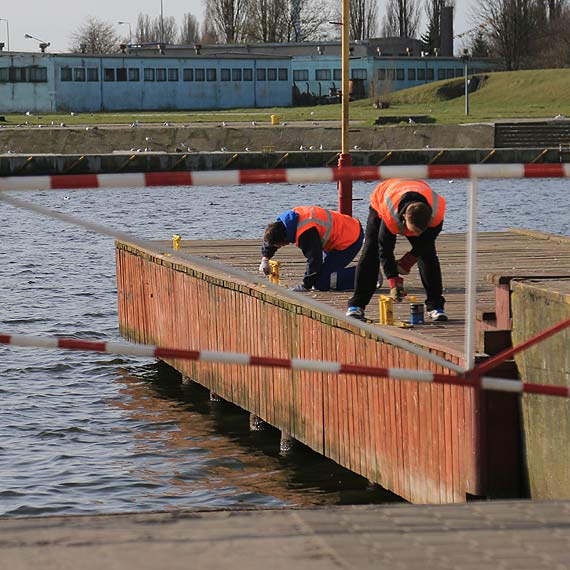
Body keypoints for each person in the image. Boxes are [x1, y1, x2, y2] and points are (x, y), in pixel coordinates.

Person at [346, 178, 448, 322]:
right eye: (411, 230)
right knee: (370, 251)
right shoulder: (390, 216)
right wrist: (394, 280)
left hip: (415, 190)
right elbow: (385, 249)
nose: (415, 235)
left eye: (420, 232)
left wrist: (408, 260)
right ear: (404, 217)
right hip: (382, 198)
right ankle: (356, 305)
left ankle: (436, 307)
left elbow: (427, 241)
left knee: (428, 255)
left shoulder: (437, 213)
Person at [259, 206, 364, 292]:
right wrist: (265, 259)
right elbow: (271, 237)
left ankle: (369, 274)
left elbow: (314, 259)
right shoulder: (285, 222)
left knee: (322, 283)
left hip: (350, 239)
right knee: (318, 277)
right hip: (343, 231)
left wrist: (306, 285)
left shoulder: (306, 232)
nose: (280, 247)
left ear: (284, 239)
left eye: (279, 245)